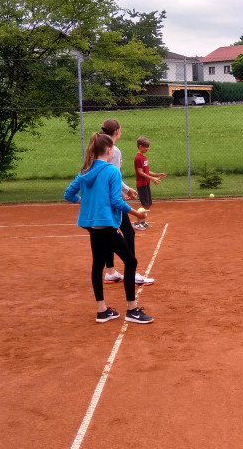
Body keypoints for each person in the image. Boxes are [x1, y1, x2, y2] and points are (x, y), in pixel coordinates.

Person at [63, 132, 153, 324]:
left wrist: (86, 203)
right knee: (130, 261)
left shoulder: (85, 170)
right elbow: (115, 201)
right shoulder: (112, 171)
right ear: (109, 150)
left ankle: (102, 310)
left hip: (92, 225)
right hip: (106, 224)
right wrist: (137, 214)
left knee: (98, 264)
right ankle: (132, 310)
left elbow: (69, 194)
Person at [99, 118, 154, 286]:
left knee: (108, 235)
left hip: (102, 199)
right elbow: (113, 176)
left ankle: (110, 272)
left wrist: (123, 189)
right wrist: (125, 190)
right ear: (117, 131)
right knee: (129, 233)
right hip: (112, 200)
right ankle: (133, 273)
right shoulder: (113, 150)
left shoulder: (97, 146)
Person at [133, 136, 166, 231]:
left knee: (148, 204)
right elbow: (140, 172)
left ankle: (142, 221)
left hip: (146, 183)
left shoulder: (144, 157)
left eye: (148, 147)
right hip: (141, 184)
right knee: (144, 204)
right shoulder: (138, 158)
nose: (148, 149)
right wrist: (152, 178)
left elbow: (146, 171)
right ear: (140, 146)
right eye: (146, 147)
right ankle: (137, 222)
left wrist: (157, 174)